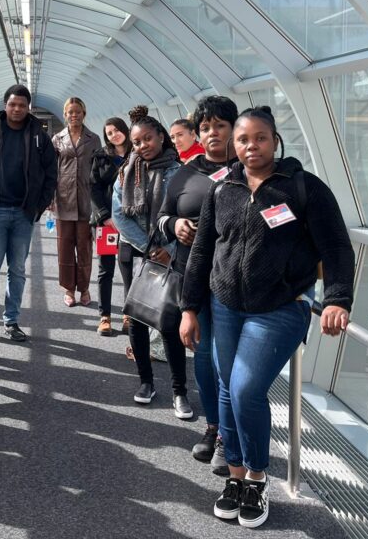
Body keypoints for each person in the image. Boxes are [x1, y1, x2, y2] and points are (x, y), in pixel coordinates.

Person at [182, 106, 354, 529]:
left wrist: (337, 299)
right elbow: (203, 251)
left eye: (260, 138)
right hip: (225, 304)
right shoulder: (223, 190)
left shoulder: (303, 189)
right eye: (243, 139)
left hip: (280, 306)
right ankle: (236, 477)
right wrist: (189, 308)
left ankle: (258, 477)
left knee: (243, 388)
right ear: (233, 145)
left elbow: (336, 247)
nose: (251, 146)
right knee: (225, 386)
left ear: (275, 140)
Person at [157, 96, 238, 474]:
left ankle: (228, 434)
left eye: (220, 126)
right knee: (204, 358)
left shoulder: (249, 170)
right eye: (205, 128)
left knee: (227, 360)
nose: (212, 133)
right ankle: (214, 428)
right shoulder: (185, 174)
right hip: (193, 276)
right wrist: (174, 226)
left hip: (235, 281)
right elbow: (161, 218)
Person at [111, 106, 186, 411]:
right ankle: (146, 381)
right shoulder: (127, 171)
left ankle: (180, 390)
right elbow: (119, 213)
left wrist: (170, 249)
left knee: (169, 321)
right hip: (137, 252)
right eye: (137, 142)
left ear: (161, 137)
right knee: (138, 319)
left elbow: (187, 213)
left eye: (148, 139)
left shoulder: (179, 172)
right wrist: (149, 246)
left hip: (172, 253)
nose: (143, 146)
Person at [0, 85, 57, 343]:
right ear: (5, 104)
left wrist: (37, 208)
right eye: (12, 104)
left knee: (17, 270)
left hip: (23, 213)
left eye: (22, 105)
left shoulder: (39, 135)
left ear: (28, 107)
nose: (17, 109)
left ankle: (11, 321)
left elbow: (50, 174)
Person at [52, 97, 101, 307]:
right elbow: (52, 170)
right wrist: (51, 198)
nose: (74, 115)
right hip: (63, 199)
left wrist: (100, 202)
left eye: (78, 111)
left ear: (84, 113)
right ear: (65, 114)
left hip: (86, 201)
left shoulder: (94, 138)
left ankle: (84, 288)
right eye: (70, 112)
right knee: (64, 247)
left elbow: (100, 170)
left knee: (84, 247)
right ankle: (69, 289)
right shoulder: (57, 139)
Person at [89, 117, 131, 336]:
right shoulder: (101, 156)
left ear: (125, 130)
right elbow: (94, 188)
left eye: (117, 130)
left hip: (130, 223)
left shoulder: (137, 154)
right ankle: (104, 316)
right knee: (106, 269)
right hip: (107, 222)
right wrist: (105, 216)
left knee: (128, 269)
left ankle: (128, 314)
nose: (114, 135)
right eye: (109, 132)